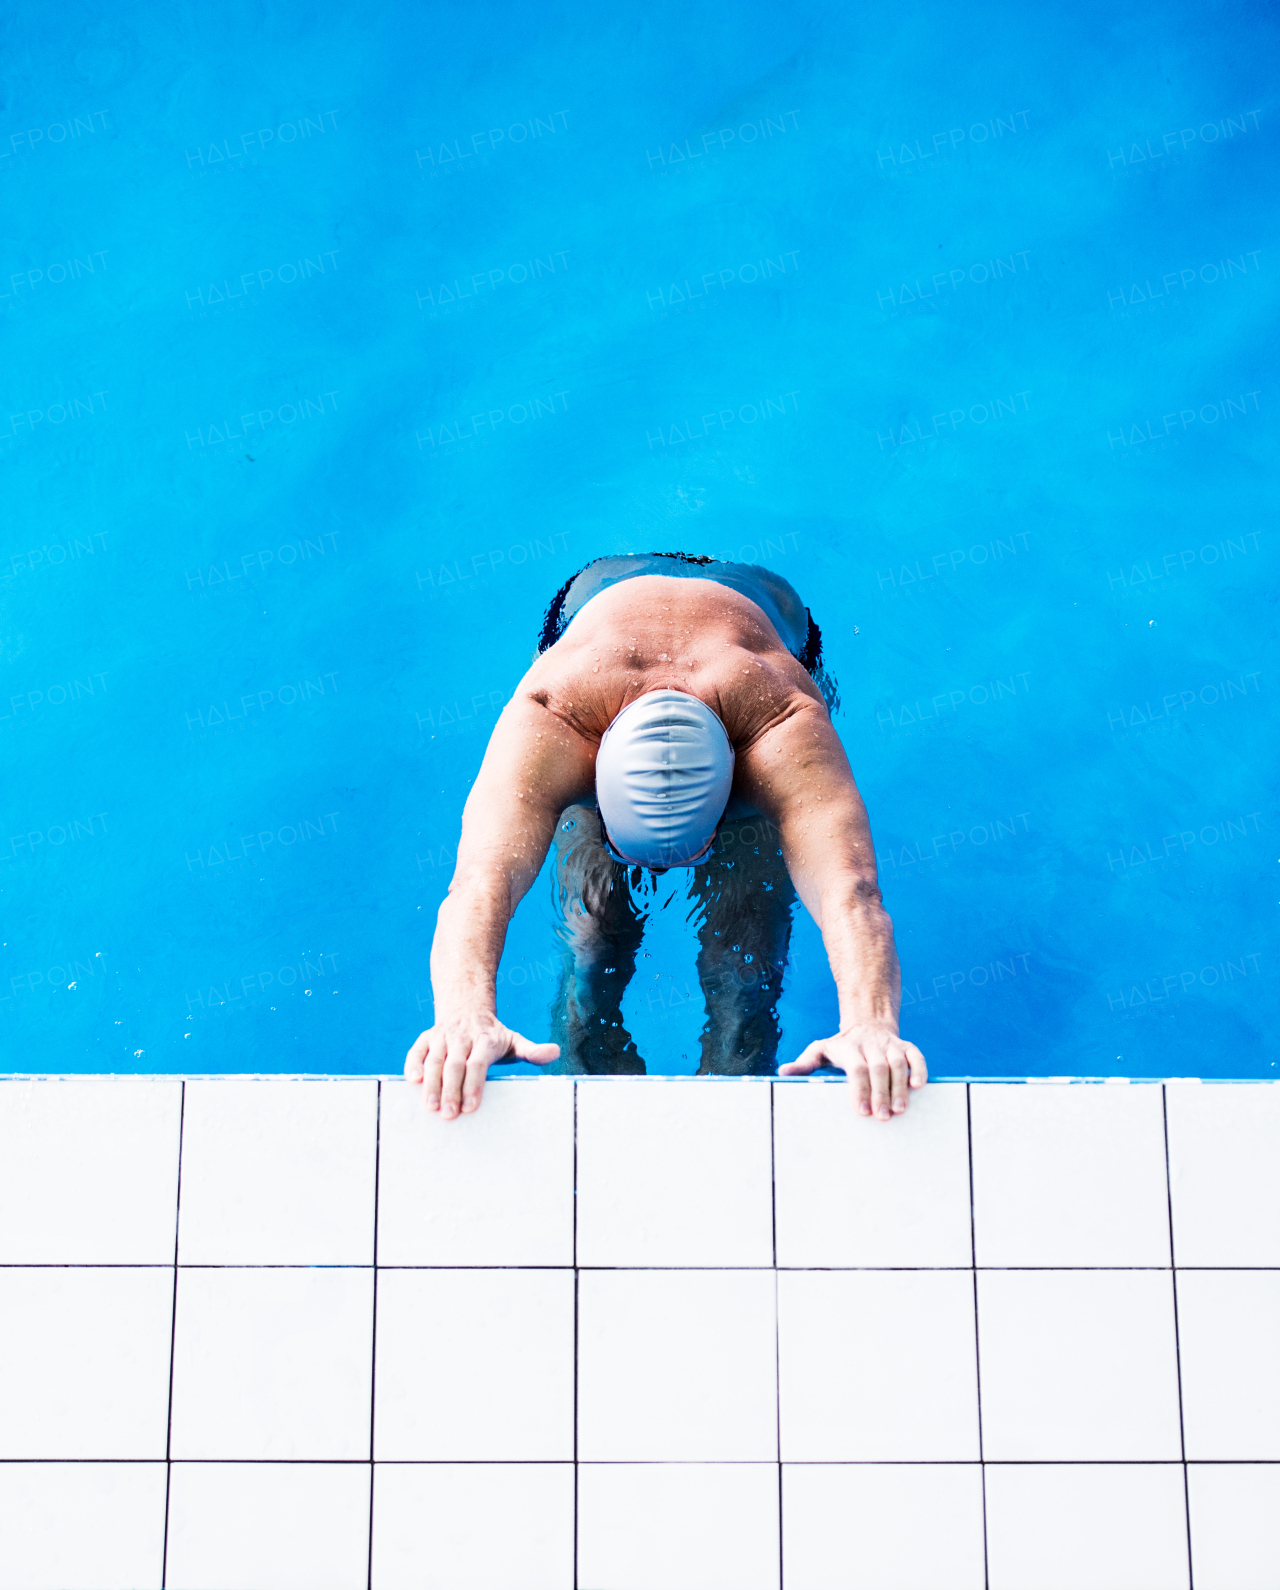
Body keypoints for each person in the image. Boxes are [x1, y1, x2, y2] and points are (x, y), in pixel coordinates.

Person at [405, 551, 927, 1120]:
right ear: (593, 770)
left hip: (762, 624)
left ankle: (733, 1128)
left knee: (744, 969)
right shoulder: (553, 717)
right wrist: (462, 1016)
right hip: (596, 609)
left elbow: (850, 890)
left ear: (737, 782)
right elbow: (482, 882)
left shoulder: (783, 721)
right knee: (592, 948)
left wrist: (870, 1025)